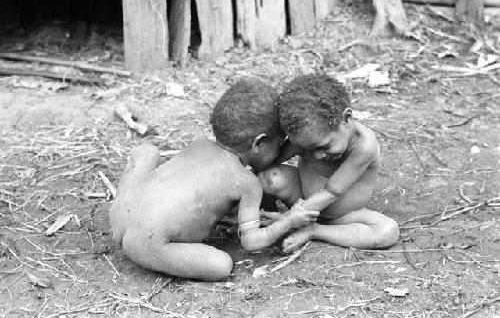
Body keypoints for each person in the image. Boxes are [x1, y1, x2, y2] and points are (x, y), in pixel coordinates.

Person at [109, 78, 319, 281]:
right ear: (259, 143)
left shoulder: (199, 144)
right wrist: (290, 219)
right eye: (278, 145)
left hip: (119, 216)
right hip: (146, 244)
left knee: (148, 152)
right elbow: (252, 242)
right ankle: (154, 249)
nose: (280, 153)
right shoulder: (246, 182)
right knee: (222, 265)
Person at [258, 74, 399, 253]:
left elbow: (331, 192)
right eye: (307, 149)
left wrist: (288, 220)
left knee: (387, 231)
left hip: (344, 216)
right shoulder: (307, 134)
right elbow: (268, 161)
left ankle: (314, 230)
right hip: (302, 198)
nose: (317, 156)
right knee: (269, 177)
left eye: (324, 146)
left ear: (346, 119)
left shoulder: (364, 146)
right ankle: (266, 216)